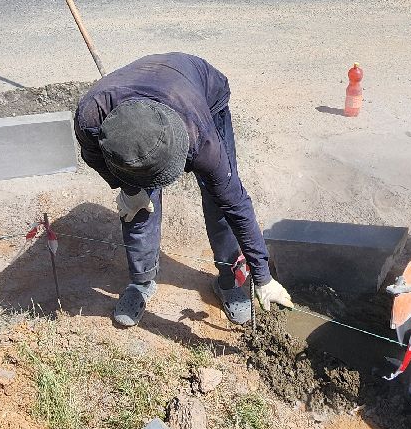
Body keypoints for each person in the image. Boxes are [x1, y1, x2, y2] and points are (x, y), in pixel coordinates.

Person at [73, 53, 293, 328]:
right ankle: (141, 282)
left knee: (219, 201)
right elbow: (94, 157)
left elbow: (235, 204)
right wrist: (130, 189)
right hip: (148, 91)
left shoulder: (202, 139)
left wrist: (263, 275)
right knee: (136, 207)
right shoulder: (91, 117)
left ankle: (228, 281)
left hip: (201, 90)